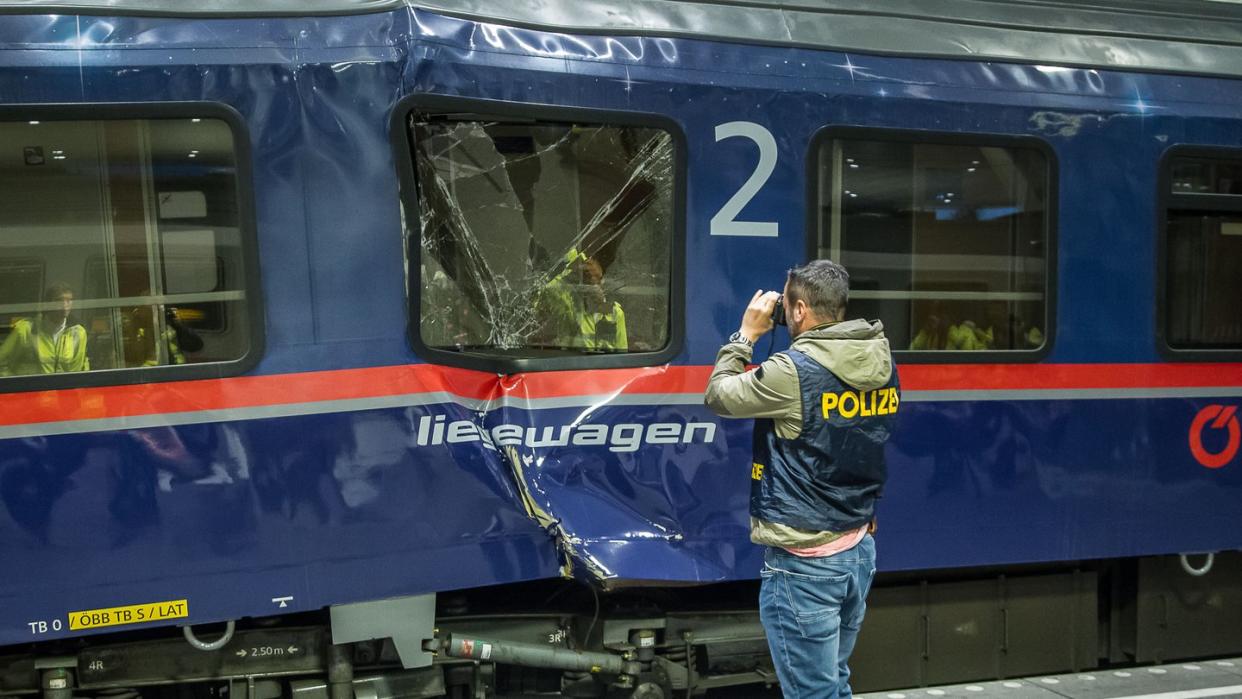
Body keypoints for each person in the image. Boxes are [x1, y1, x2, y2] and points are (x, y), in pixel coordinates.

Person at [704, 260, 899, 699]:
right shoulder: (880, 356)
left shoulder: (791, 371)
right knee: (832, 683)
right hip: (858, 548)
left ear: (798, 311)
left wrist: (746, 335)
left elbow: (718, 394)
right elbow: (867, 440)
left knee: (813, 694)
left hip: (805, 563)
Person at [539, 249, 628, 351]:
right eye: (586, 275)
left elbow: (622, 353)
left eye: (597, 278)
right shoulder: (567, 304)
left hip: (602, 365)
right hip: (571, 362)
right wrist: (573, 267)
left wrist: (600, 303)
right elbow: (548, 289)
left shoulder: (614, 312)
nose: (592, 282)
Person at [0, 282, 89, 376]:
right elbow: (2, 361)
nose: (65, 305)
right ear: (48, 304)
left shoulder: (78, 333)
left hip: (65, 389)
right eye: (59, 300)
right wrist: (15, 385)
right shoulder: (26, 330)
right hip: (32, 389)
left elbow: (82, 367)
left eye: (69, 300)